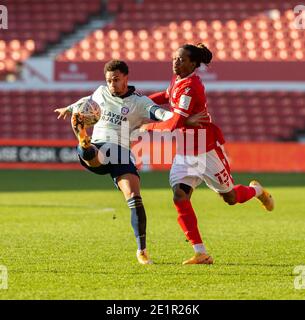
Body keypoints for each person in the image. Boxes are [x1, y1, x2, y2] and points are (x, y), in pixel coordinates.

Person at [54, 59, 203, 265]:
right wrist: (68, 108)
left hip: (122, 153)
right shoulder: (100, 92)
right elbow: (84, 103)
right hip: (100, 146)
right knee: (94, 153)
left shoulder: (140, 103)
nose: (112, 84)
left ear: (126, 78)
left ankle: (142, 251)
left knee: (134, 197)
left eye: (116, 80)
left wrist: (184, 119)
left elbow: (161, 114)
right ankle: (84, 142)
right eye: (108, 80)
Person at [140, 44, 274, 265]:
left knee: (229, 198)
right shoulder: (178, 79)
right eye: (174, 58)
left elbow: (174, 123)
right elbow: (167, 95)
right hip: (185, 152)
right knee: (179, 196)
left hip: (206, 151)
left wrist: (148, 127)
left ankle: (257, 190)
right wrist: (142, 102)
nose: (176, 62)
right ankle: (200, 252)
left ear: (193, 64)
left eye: (181, 59)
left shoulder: (191, 86)